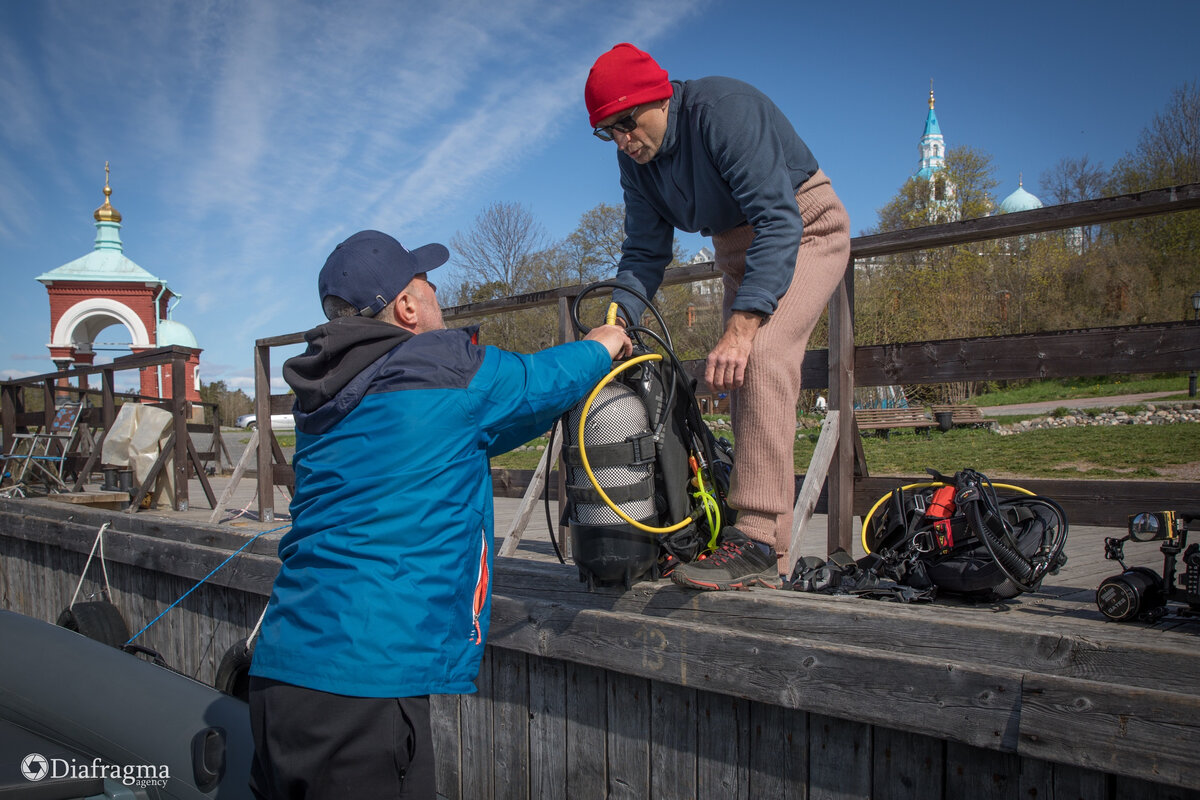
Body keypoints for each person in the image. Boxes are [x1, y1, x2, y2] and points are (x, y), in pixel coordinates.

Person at [247, 229, 631, 799]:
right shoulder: (443, 366)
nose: (435, 293)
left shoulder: (321, 396)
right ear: (406, 306)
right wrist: (602, 343)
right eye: (425, 281)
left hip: (279, 672)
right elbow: (538, 384)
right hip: (367, 687)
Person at [585, 43, 851, 590]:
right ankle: (768, 569)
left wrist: (743, 325)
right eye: (607, 132)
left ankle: (753, 536)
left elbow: (778, 220)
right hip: (739, 254)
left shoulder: (722, 109)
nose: (622, 141)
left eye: (627, 124)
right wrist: (615, 321)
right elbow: (643, 253)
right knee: (730, 375)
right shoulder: (633, 162)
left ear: (658, 97)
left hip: (804, 230)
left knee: (760, 354)